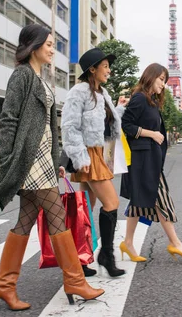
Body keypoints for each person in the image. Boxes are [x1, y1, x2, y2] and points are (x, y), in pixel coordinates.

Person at [0, 24, 103, 311]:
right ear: (33, 46)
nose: (51, 49)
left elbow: (50, 129)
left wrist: (57, 162)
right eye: (48, 44)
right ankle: (74, 279)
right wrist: (8, 159)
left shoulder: (41, 79)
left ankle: (4, 285)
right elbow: (8, 119)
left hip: (43, 159)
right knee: (56, 213)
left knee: (26, 219)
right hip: (28, 158)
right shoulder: (21, 76)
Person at [119, 63, 182, 262]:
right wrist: (151, 134)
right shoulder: (139, 98)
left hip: (149, 159)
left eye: (166, 81)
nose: (164, 84)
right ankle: (175, 243)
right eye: (161, 79)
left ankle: (127, 243)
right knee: (162, 198)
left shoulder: (150, 100)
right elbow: (126, 124)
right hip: (143, 160)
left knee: (138, 203)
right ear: (150, 76)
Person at [61, 48, 126, 278]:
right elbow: (69, 126)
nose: (109, 70)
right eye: (105, 66)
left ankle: (81, 258)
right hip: (87, 155)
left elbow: (104, 123)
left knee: (85, 210)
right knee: (111, 203)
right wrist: (79, 157)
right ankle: (106, 255)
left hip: (98, 153)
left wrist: (118, 107)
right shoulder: (78, 92)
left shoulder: (103, 93)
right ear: (92, 69)